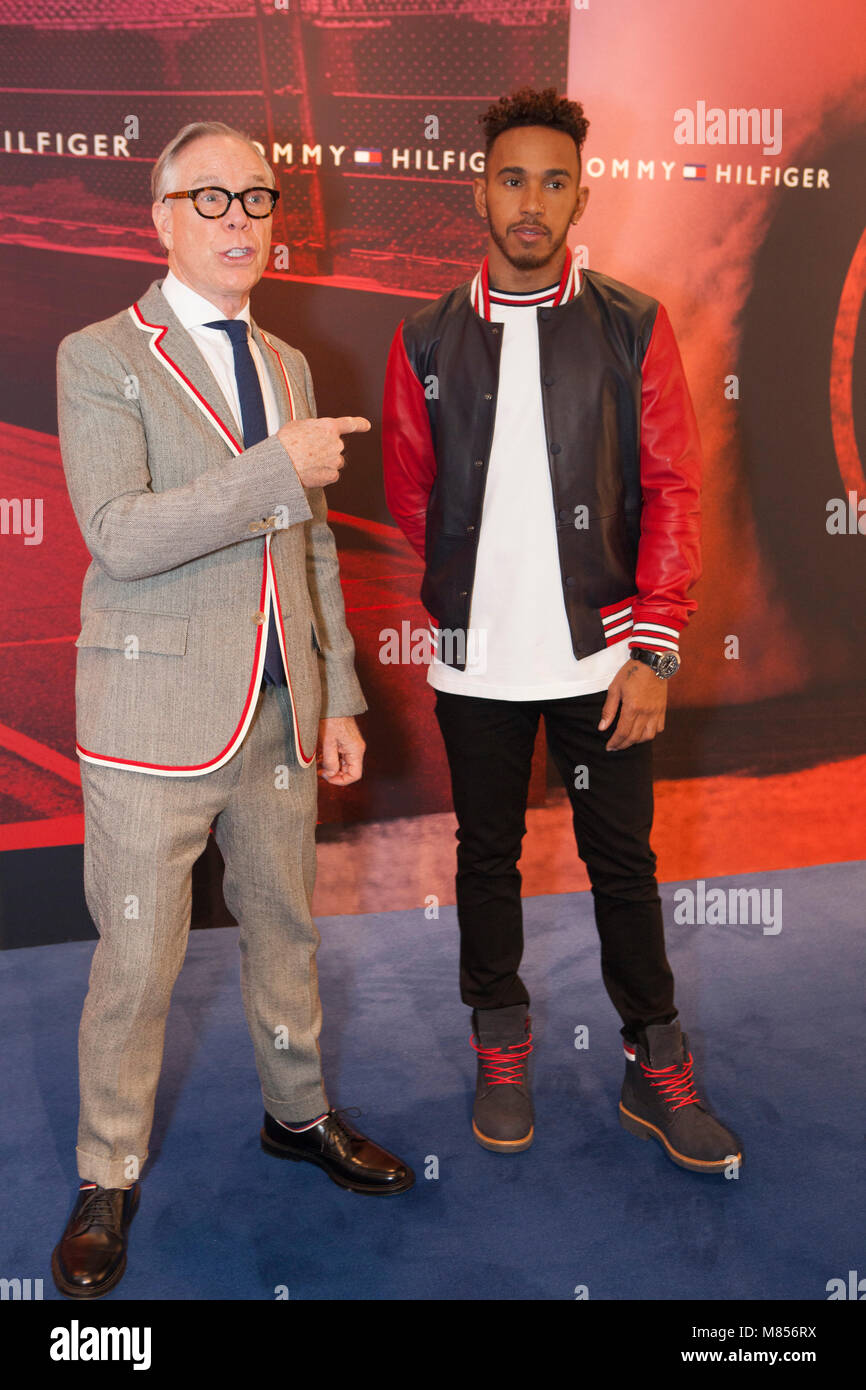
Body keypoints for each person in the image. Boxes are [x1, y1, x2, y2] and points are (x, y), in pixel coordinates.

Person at [53, 121, 413, 1301]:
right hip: (154, 717)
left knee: (287, 932)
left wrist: (337, 694)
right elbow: (121, 532)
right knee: (141, 959)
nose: (241, 218)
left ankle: (296, 1116)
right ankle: (107, 1172)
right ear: (158, 218)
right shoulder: (100, 354)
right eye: (210, 199)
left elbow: (306, 556)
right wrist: (275, 467)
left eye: (256, 197)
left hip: (274, 714)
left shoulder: (289, 365)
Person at [382, 88, 742, 1174]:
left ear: (580, 192)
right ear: (477, 190)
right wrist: (469, 596)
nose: (530, 202)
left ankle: (654, 1060)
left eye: (551, 180)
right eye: (510, 178)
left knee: (619, 864)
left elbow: (675, 486)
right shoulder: (425, 336)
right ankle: (501, 1044)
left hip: (603, 664)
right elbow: (411, 493)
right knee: (485, 860)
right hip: (476, 666)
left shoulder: (631, 324)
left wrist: (653, 646)